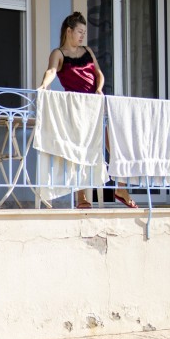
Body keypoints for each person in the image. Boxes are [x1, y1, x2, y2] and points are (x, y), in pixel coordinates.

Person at [38, 11, 137, 209]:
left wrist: (99, 89)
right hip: (76, 110)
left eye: (84, 32)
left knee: (115, 145)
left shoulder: (87, 51)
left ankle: (121, 188)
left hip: (96, 106)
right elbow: (51, 71)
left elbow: (99, 74)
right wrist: (44, 85)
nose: (83, 36)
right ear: (69, 31)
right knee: (80, 151)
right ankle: (82, 197)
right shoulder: (58, 54)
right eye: (80, 32)